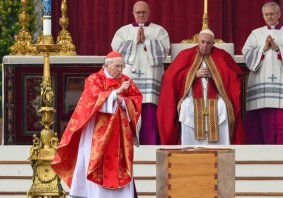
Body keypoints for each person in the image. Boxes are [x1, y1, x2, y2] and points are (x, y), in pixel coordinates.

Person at [51, 51, 142, 198]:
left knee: (120, 164)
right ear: (107, 65)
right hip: (96, 134)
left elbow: (136, 100)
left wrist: (123, 101)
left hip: (120, 135)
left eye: (122, 66)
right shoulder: (95, 79)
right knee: (93, 161)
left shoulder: (126, 80)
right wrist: (116, 93)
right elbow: (92, 101)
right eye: (117, 66)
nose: (120, 69)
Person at [157, 29, 245, 145]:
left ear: (213, 43)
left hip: (216, 98)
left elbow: (235, 76)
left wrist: (215, 75)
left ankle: (221, 147)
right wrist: (193, 74)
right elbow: (170, 77)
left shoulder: (222, 55)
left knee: (223, 106)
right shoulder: (185, 55)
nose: (204, 46)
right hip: (191, 97)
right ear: (198, 41)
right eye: (202, 42)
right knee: (186, 107)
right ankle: (189, 147)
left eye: (208, 43)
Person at [242, 2, 283, 144]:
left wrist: (277, 48)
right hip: (260, 83)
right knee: (260, 120)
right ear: (263, 15)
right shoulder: (256, 33)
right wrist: (262, 49)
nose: (269, 17)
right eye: (266, 14)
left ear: (279, 14)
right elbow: (247, 54)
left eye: (272, 13)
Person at [111, 0, 170, 145]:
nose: (141, 15)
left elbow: (164, 51)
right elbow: (116, 52)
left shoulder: (159, 31)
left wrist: (147, 42)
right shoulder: (123, 32)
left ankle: (150, 148)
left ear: (149, 13)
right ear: (133, 13)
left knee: (149, 118)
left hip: (151, 81)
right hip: (130, 78)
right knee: (129, 113)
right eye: (138, 12)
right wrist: (135, 41)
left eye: (144, 12)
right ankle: (128, 147)